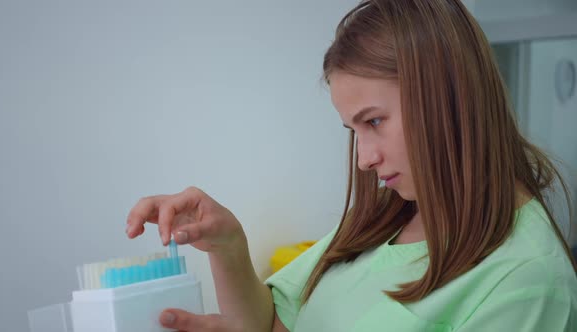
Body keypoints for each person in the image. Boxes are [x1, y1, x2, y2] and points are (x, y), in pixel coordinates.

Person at [125, 0, 577, 331]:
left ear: (450, 97)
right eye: (353, 131)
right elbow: (271, 324)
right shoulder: (387, 219)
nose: (364, 159)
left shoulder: (527, 281)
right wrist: (228, 245)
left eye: (375, 121)